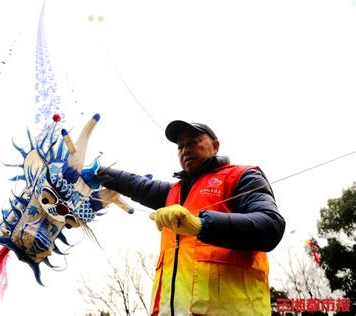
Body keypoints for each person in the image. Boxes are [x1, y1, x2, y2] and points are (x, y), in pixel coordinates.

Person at [98, 120, 286, 315]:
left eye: (194, 141)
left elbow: (271, 226)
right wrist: (98, 172)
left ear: (215, 146)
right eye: (180, 146)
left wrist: (202, 225)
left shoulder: (243, 176)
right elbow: (137, 184)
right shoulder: (174, 192)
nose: (186, 150)